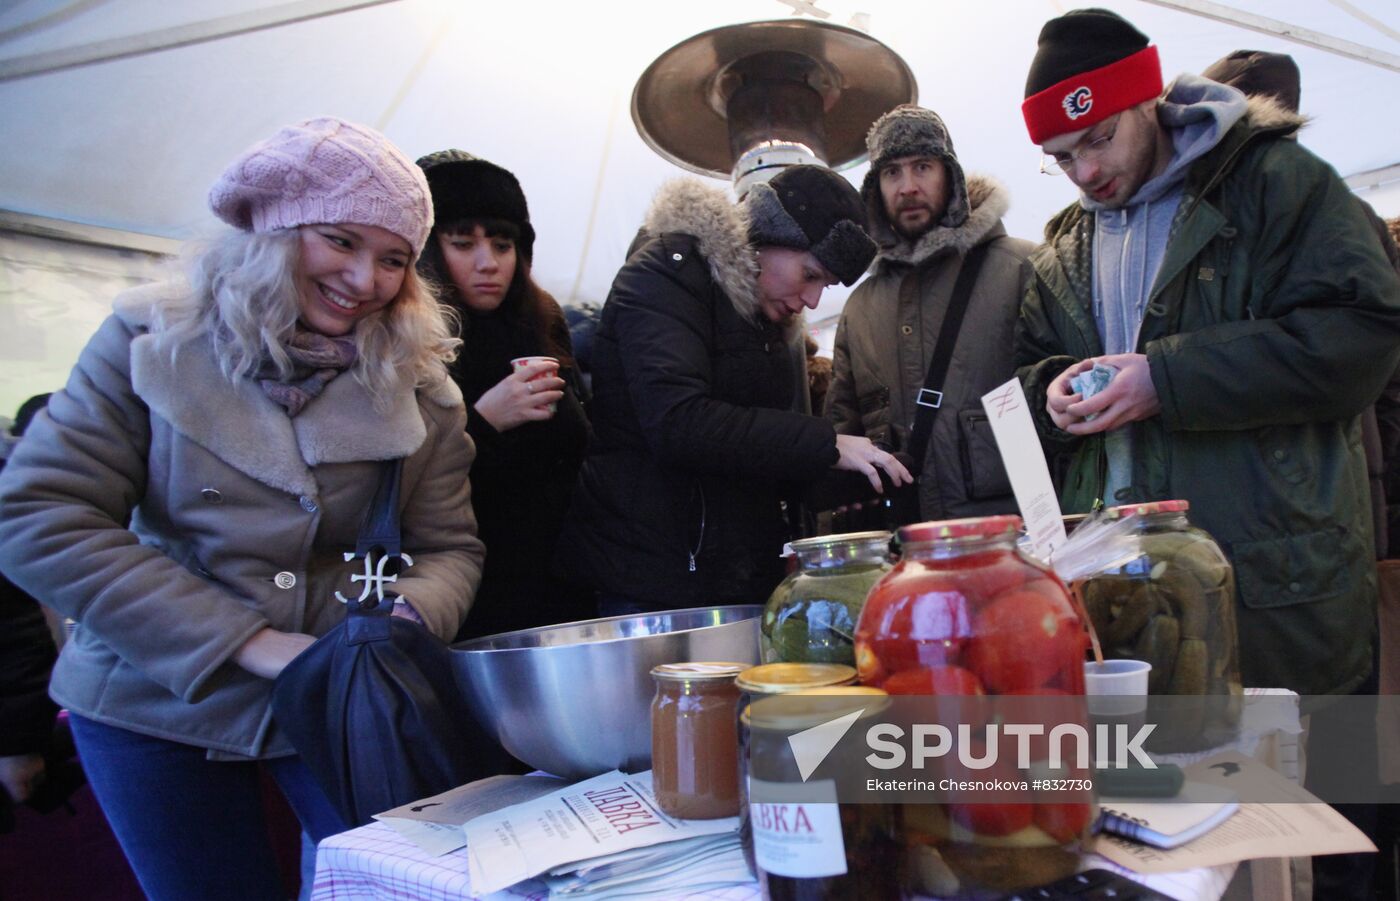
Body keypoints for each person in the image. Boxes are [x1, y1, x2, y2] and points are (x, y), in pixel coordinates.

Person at [0, 117, 484, 901]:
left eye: (393, 258)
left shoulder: (422, 385)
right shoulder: (146, 339)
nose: (366, 279)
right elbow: (38, 517)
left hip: (339, 705)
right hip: (151, 699)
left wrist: (403, 621)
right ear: (271, 228)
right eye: (339, 241)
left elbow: (451, 549)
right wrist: (251, 642)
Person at [1015, 8, 1400, 701]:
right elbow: (1028, 365)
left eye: (1099, 138)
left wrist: (1168, 378)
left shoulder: (1279, 182)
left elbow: (1362, 332)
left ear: (1147, 98)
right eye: (1063, 156)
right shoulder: (1063, 242)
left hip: (1276, 585)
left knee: (1323, 793)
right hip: (1124, 598)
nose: (1087, 170)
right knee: (1164, 795)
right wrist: (1050, 393)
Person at [559, 165, 911, 616]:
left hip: (733, 576)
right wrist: (826, 443)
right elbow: (679, 422)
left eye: (825, 285)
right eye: (810, 274)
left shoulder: (765, 318)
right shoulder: (664, 276)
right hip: (651, 581)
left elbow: (756, 453)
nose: (813, 300)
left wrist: (863, 472)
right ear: (768, 234)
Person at [415, 150, 593, 640]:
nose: (487, 262)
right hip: (466, 595)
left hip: (563, 587)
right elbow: (392, 484)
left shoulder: (540, 325)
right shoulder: (404, 342)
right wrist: (482, 421)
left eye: (502, 243)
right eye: (462, 242)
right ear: (428, 247)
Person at [826, 105, 1033, 523]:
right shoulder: (860, 306)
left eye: (923, 167)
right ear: (875, 189)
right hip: (907, 548)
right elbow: (842, 433)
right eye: (891, 173)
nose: (908, 187)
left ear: (950, 177)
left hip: (1011, 538)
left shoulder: (1022, 268)